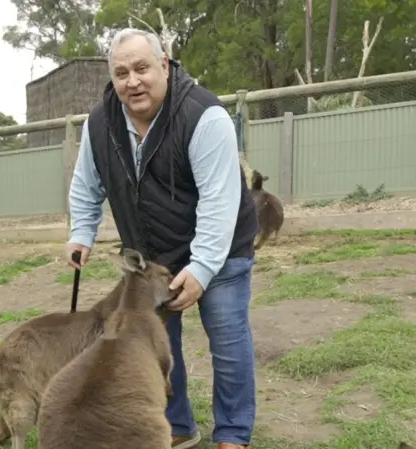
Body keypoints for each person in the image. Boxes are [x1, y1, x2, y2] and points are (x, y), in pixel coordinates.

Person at [64, 28, 259, 449]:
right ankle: (177, 424)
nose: (132, 81)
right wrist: (81, 232)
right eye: (121, 73)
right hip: (152, 256)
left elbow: (219, 200)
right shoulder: (100, 123)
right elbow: (87, 184)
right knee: (152, 344)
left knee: (226, 339)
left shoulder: (203, 115)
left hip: (219, 250)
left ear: (164, 66)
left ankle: (233, 435)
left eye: (141, 68)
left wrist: (203, 267)